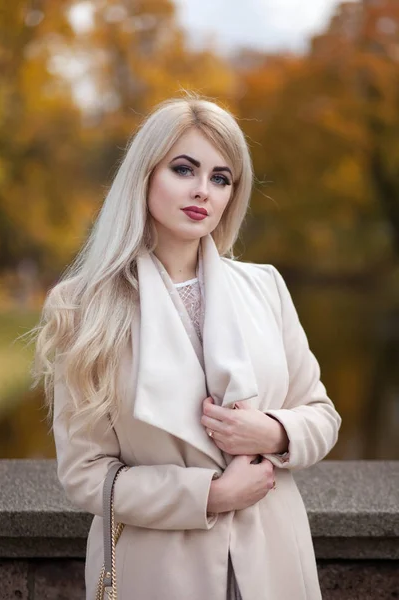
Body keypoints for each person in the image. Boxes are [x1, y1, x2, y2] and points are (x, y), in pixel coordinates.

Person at [32, 94, 342, 600]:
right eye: (184, 169)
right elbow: (85, 474)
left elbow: (322, 415)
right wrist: (210, 495)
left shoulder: (265, 286)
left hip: (273, 560)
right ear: (145, 174)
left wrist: (273, 430)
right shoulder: (80, 306)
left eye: (221, 178)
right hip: (160, 570)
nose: (204, 190)